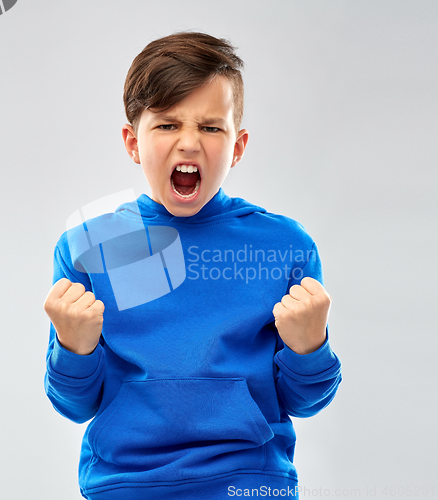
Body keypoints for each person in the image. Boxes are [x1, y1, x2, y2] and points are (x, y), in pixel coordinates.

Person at [43, 31, 342, 500]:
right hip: (124, 485)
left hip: (250, 483)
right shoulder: (89, 246)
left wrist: (311, 347)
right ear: (132, 142)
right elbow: (75, 405)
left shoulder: (285, 246)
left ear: (238, 146)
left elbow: (305, 401)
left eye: (210, 127)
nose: (188, 143)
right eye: (166, 125)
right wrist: (73, 347)